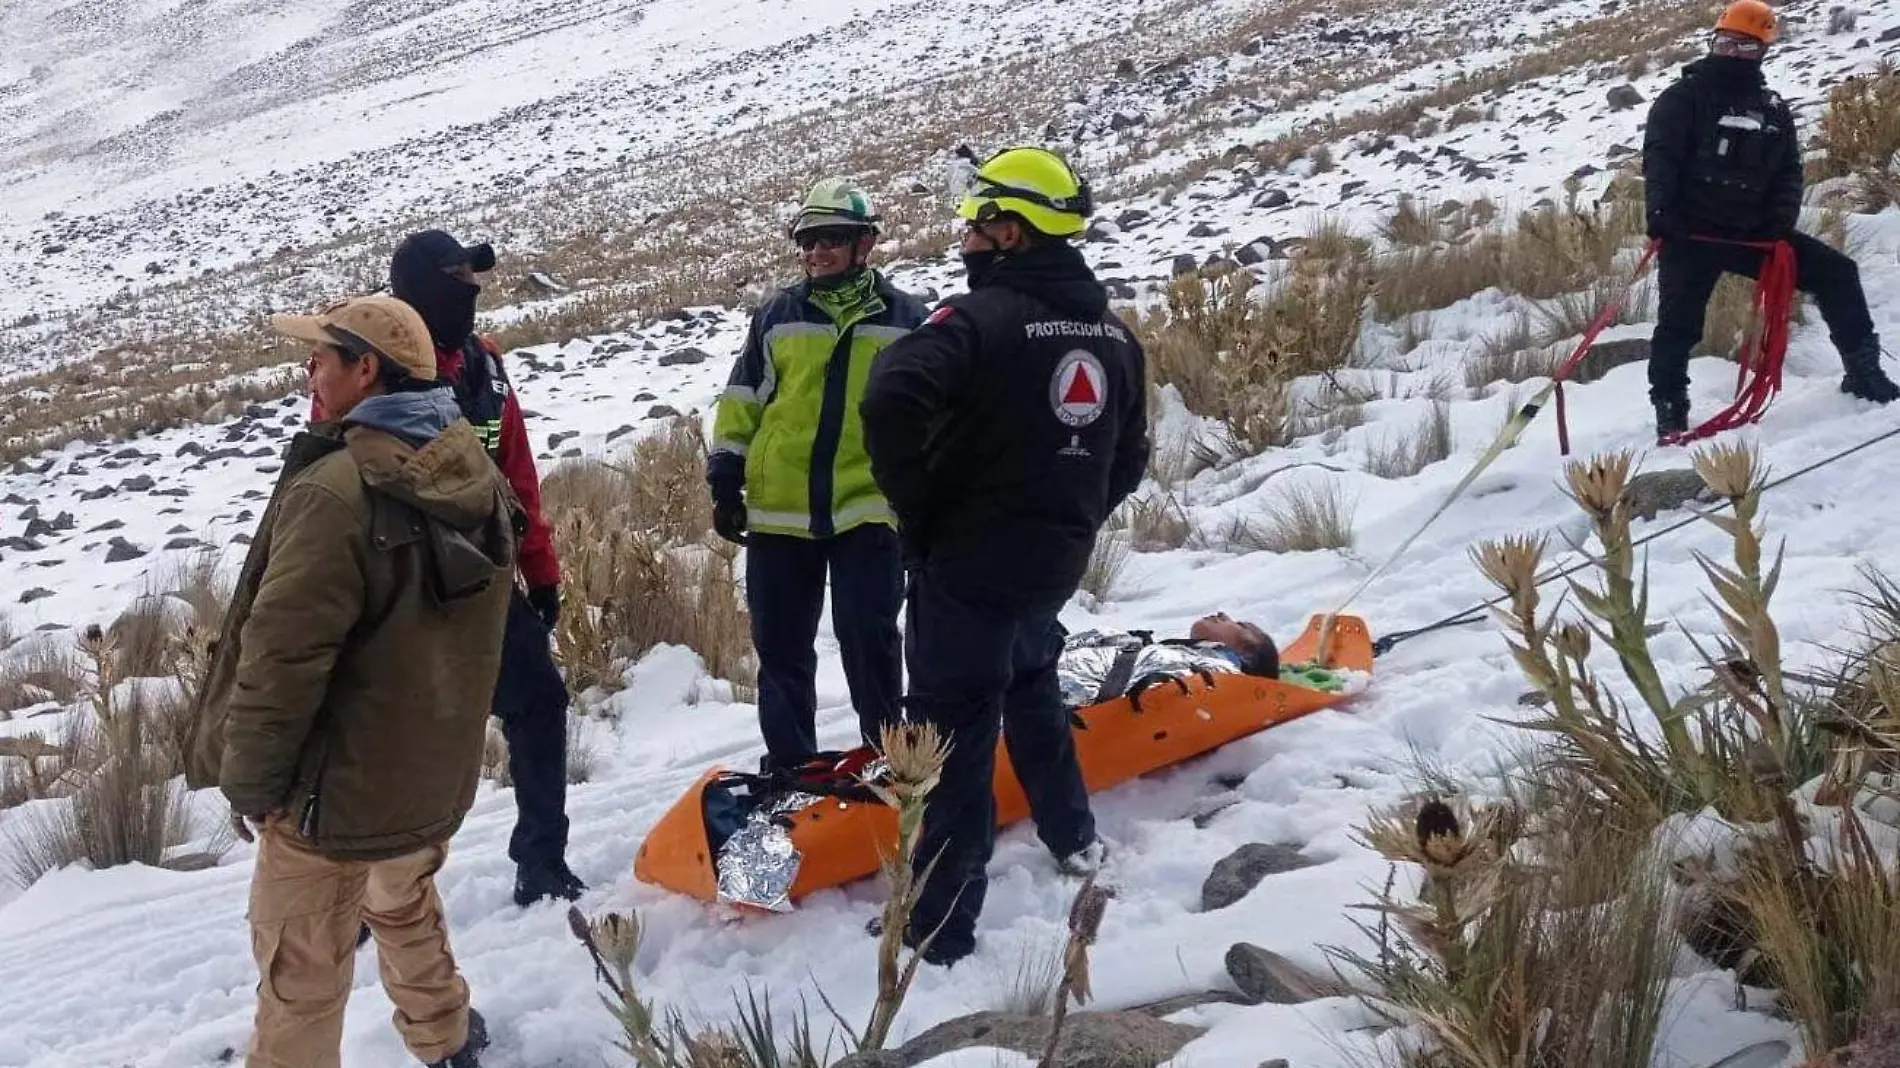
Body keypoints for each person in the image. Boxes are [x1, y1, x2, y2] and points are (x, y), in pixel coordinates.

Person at [187, 295, 514, 1068]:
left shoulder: (335, 492)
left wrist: (255, 784)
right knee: (401, 902)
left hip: (330, 795)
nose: (309, 369)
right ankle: (447, 1038)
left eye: (322, 356)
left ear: (367, 370)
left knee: (299, 973)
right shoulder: (468, 463)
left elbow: (283, 658)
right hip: (425, 779)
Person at [860, 146, 1151, 966]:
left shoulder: (978, 321)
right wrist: (1078, 513)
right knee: (1032, 692)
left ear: (1014, 231)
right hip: (1051, 560)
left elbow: (890, 396)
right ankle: (1075, 840)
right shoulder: (1112, 333)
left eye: (978, 223)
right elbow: (1130, 453)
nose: (967, 237)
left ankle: (942, 931)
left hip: (968, 563)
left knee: (951, 737)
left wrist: (921, 510)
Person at [312, 230, 583, 906]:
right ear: (418, 289)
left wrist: (540, 570)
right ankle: (370, 898)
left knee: (541, 702)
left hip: (480, 574)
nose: (470, 289)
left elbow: (516, 471)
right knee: (388, 741)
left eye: (473, 277)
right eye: (456, 276)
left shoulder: (485, 365)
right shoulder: (367, 367)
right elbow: (327, 481)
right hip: (395, 581)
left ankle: (543, 861)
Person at [706, 179, 929, 773]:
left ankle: (893, 760)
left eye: (831, 239)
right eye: (807, 240)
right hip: (779, 510)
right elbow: (743, 397)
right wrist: (725, 474)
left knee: (869, 639)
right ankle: (792, 770)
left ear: (866, 244)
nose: (816, 252)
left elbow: (933, 412)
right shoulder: (777, 314)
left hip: (867, 507)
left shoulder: (909, 318)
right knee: (780, 651)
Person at [1643, 0, 1899, 441]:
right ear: (1713, 42)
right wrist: (1661, 214)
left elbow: (1788, 171)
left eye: (1744, 46)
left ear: (1762, 51)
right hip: (1689, 234)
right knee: (1679, 326)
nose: (1732, 53)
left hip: (1754, 237)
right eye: (1725, 43)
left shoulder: (1773, 108)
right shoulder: (1682, 99)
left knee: (1839, 274)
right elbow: (1660, 158)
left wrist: (1781, 221)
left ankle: (1864, 373)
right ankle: (1670, 410)